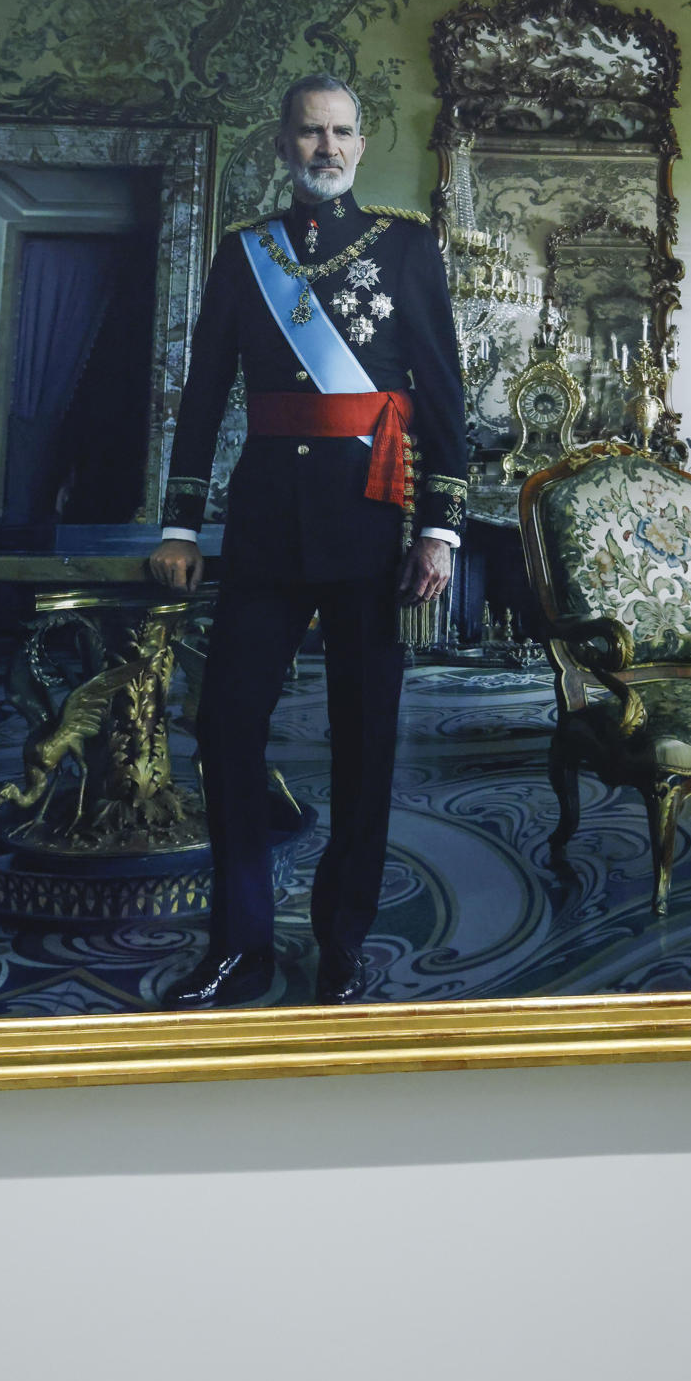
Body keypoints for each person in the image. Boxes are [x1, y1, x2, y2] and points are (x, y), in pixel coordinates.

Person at [150, 74, 468, 1008]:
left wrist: (440, 528)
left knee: (364, 742)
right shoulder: (243, 252)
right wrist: (180, 521)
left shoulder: (405, 246)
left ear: (361, 146)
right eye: (307, 133)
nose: (324, 148)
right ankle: (239, 940)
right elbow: (205, 392)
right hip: (262, 528)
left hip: (373, 526)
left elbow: (442, 396)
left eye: (339, 133)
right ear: (280, 144)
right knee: (224, 726)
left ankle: (341, 940)